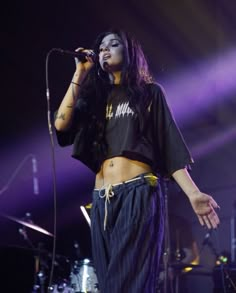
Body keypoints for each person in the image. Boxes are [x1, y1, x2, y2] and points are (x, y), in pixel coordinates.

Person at [54, 29, 220, 293]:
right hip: (102, 200)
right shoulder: (95, 99)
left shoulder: (149, 93)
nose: (105, 50)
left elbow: (170, 145)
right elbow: (61, 125)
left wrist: (194, 194)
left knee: (127, 284)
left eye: (114, 44)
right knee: (110, 286)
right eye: (102, 47)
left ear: (130, 52)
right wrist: (80, 73)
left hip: (137, 193)